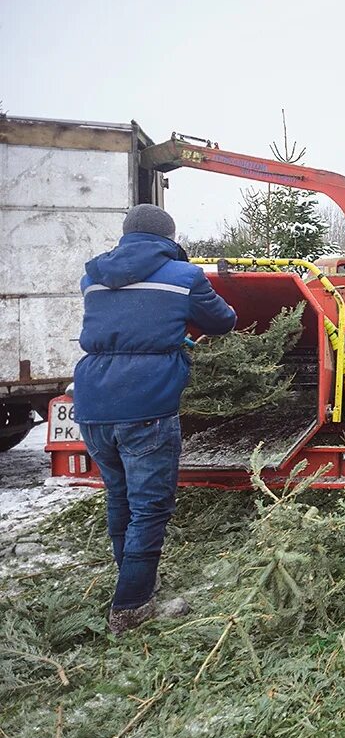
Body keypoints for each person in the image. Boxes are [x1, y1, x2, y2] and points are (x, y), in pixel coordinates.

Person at [74, 204, 237, 634]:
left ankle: (134, 578)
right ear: (169, 237)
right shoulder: (184, 277)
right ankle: (131, 605)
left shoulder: (93, 277)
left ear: (126, 234)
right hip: (145, 405)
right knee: (150, 507)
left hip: (93, 404)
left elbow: (123, 323)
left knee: (119, 496)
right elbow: (223, 320)